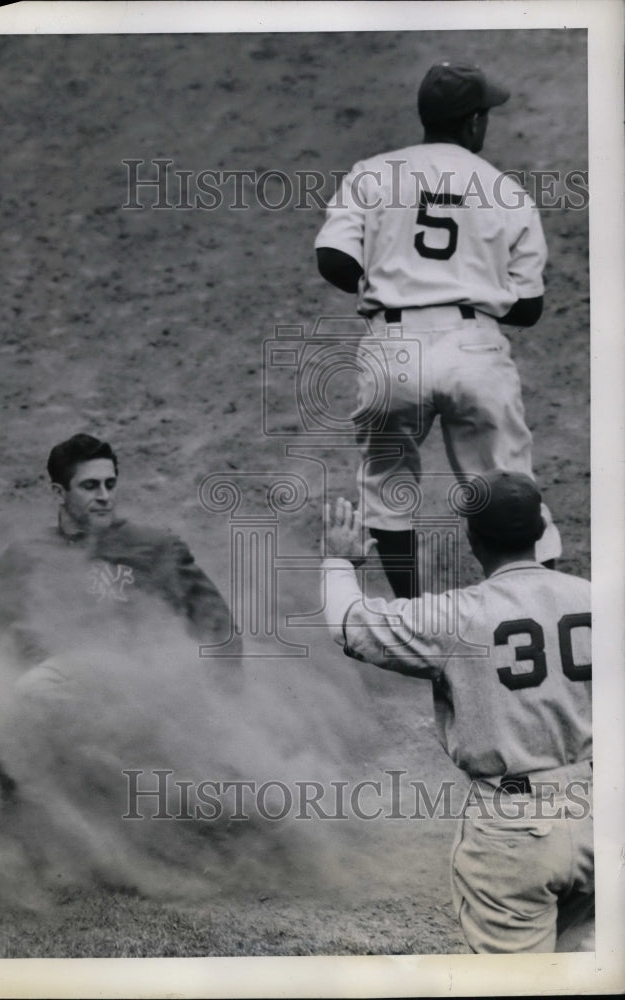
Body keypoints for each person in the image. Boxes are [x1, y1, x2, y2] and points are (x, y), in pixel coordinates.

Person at [314, 61, 561, 599]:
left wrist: (387, 284)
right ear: (473, 123)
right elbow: (529, 306)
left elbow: (332, 257)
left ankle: (410, 616)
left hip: (392, 348)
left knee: (387, 485)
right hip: (473, 347)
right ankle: (532, 607)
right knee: (508, 482)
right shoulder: (506, 190)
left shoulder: (372, 173)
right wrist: (471, 286)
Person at [320, 469, 592, 953]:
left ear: (472, 540)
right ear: (542, 528)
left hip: (514, 832)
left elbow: (349, 625)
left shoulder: (455, 616)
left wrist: (339, 562)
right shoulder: (600, 600)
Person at [0, 432, 239, 667]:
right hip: (56, 693)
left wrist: (221, 696)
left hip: (140, 690)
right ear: (60, 493)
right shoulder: (29, 553)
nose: (104, 497)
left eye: (110, 484)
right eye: (90, 486)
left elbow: (219, 627)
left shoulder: (156, 547)